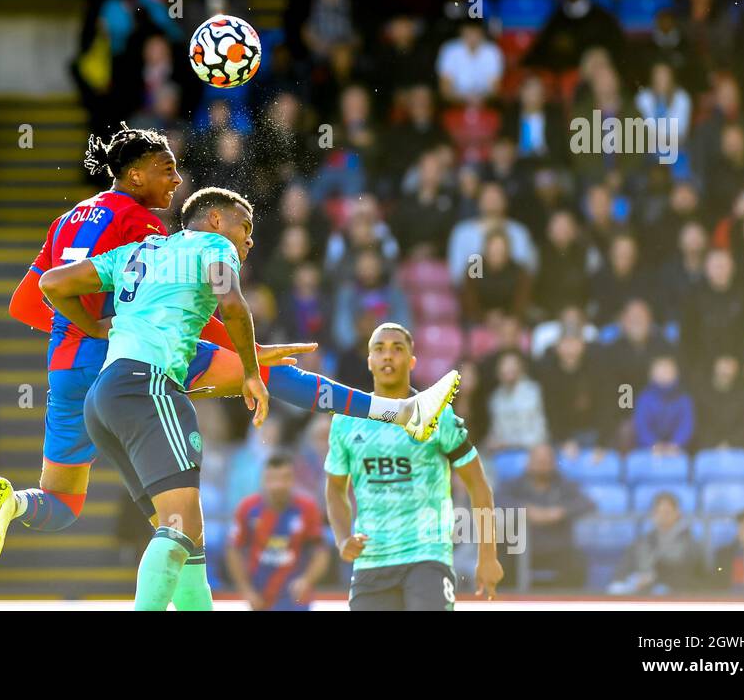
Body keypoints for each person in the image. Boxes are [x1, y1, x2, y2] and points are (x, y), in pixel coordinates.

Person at [0, 127, 461, 569]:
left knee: (63, 504)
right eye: (167, 170)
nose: (175, 180)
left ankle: (14, 504)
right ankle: (399, 412)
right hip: (129, 359)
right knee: (271, 375)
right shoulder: (143, 225)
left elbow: (27, 302)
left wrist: (84, 327)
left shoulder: (66, 220)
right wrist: (243, 350)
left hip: (65, 370)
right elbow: (176, 309)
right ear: (135, 173)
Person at [43, 189, 460, 610]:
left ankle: (403, 411)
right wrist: (248, 369)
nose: (249, 240)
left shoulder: (140, 251)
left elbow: (53, 283)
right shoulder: (214, 245)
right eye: (245, 226)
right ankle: (403, 411)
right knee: (177, 532)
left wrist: (96, 328)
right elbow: (234, 307)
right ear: (217, 221)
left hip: (103, 399)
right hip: (148, 386)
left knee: (189, 541)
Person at [324, 322, 501, 610]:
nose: (388, 356)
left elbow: (478, 484)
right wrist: (343, 538)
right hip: (372, 560)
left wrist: (488, 556)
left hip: (427, 556)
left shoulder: (437, 415)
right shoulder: (346, 419)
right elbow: (334, 489)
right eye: (379, 349)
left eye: (397, 349)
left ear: (412, 360)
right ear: (369, 361)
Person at [225, 453, 330, 611]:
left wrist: (306, 580)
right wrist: (246, 590)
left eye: (285, 478)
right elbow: (233, 549)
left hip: (296, 599)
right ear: (263, 480)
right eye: (272, 478)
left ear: (293, 480)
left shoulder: (308, 508)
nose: (278, 485)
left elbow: (321, 552)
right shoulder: (247, 508)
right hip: (260, 597)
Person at [495, 443, 595, 588]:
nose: (542, 465)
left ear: (553, 463)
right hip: (517, 549)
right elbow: (496, 500)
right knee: (497, 563)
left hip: (556, 548)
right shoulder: (513, 484)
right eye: (538, 461)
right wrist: (525, 510)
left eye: (546, 461)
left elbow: (587, 503)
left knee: (577, 562)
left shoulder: (564, 485)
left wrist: (560, 512)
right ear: (529, 462)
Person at [608, 492, 706, 596]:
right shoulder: (643, 542)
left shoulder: (690, 544)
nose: (662, 516)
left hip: (674, 597)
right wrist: (632, 580)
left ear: (677, 513)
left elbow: (688, 575)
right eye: (658, 512)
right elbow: (623, 568)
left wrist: (654, 578)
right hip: (640, 594)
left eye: (666, 512)